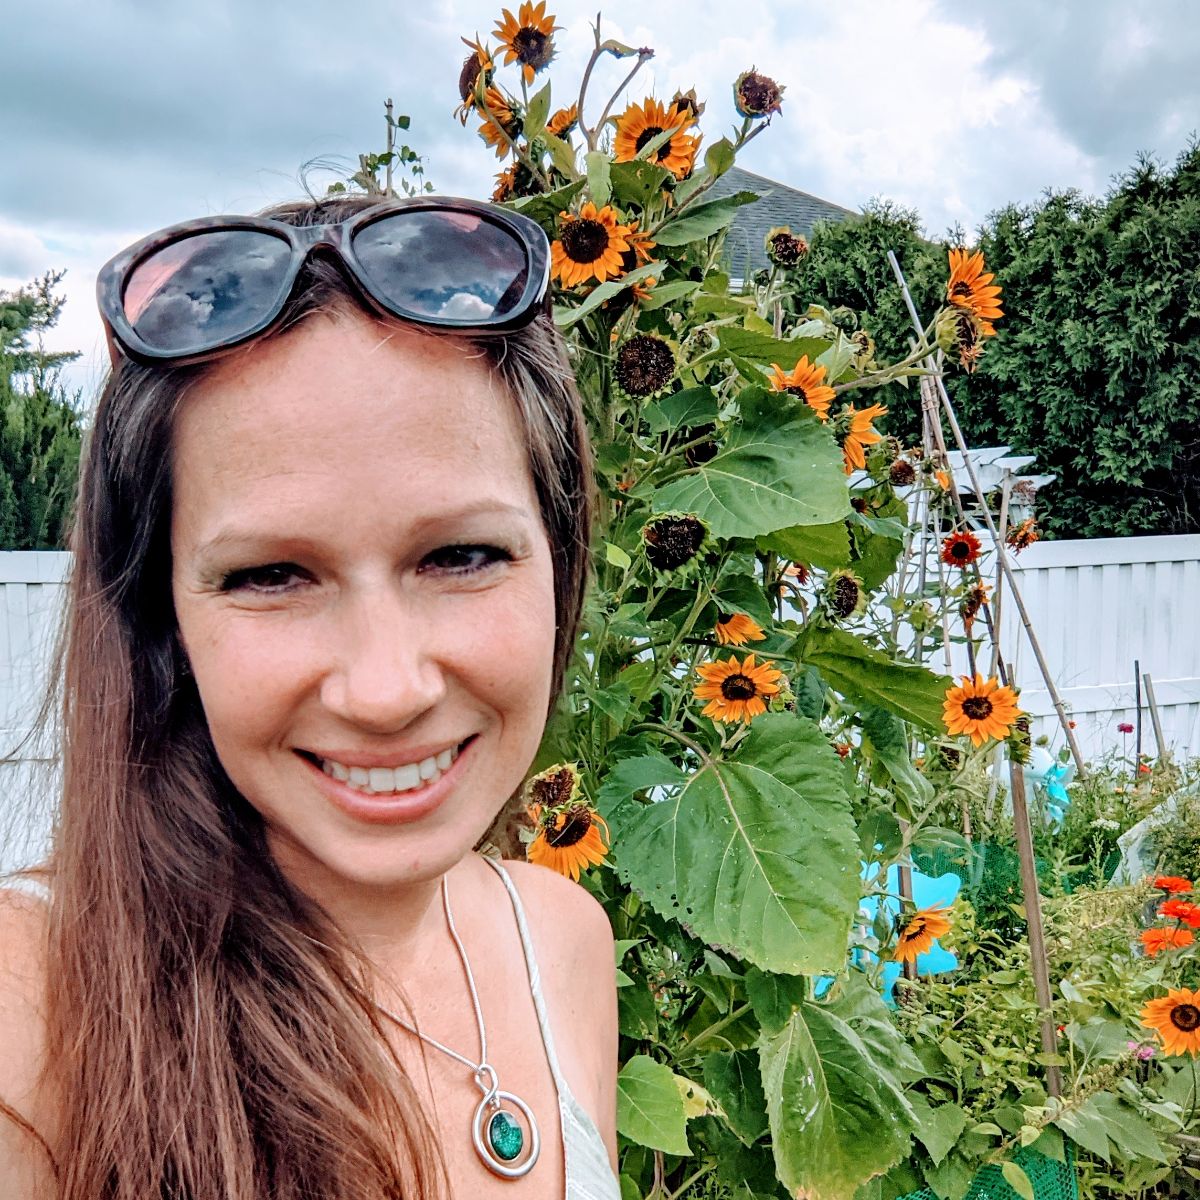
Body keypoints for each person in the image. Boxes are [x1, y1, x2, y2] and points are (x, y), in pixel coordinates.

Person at [0, 193, 619, 1200]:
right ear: (165, 619)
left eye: (460, 555)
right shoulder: (32, 1020)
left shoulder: (562, 945)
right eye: (270, 576)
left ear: (559, 560)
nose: (385, 690)